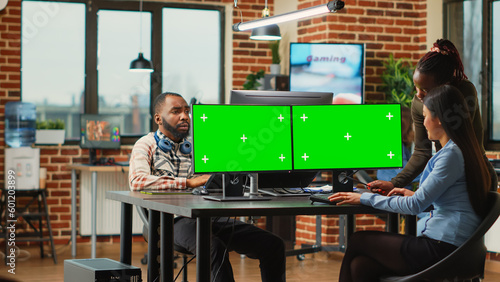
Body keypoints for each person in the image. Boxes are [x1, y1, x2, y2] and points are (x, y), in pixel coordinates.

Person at [328, 85, 492, 281]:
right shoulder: (459, 150)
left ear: (439, 118)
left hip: (443, 248)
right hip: (448, 245)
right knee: (361, 266)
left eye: (425, 116)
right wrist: (413, 194)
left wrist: (364, 198)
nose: (423, 123)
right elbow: (447, 199)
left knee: (357, 240)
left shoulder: (451, 155)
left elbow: (415, 207)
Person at [129, 92, 286, 282]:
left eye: (187, 111)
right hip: (169, 220)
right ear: (158, 118)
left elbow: (219, 179)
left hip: (207, 217)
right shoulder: (145, 144)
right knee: (213, 246)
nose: (185, 116)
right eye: (176, 111)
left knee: (273, 244)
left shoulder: (197, 146)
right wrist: (187, 183)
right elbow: (137, 180)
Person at [368, 39, 497, 193]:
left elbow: (459, 146)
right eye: (416, 87)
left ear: (445, 86)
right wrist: (394, 183)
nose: (419, 95)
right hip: (449, 176)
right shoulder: (418, 102)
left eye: (426, 90)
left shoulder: (464, 92)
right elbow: (422, 151)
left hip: (476, 177)